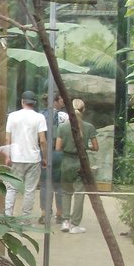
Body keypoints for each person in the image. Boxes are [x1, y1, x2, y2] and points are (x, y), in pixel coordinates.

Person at [55, 98, 98, 234]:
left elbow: (58, 148)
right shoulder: (89, 127)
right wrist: (86, 147)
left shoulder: (63, 127)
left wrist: (68, 146)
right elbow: (96, 147)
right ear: (83, 110)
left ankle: (65, 221)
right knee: (79, 193)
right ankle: (75, 224)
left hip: (67, 162)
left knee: (66, 192)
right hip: (81, 162)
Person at [3, 90, 47, 219]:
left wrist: (7, 156)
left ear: (22, 101)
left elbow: (7, 139)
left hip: (16, 158)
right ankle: (25, 220)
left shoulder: (12, 116)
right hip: (33, 159)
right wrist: (44, 158)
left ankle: (8, 218)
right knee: (29, 190)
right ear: (34, 103)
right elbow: (43, 140)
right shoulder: (39, 117)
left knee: (11, 188)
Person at [38, 92, 67, 224]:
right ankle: (60, 214)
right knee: (58, 185)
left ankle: (45, 213)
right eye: (61, 99)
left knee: (44, 184)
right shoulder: (64, 116)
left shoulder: (40, 115)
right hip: (59, 152)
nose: (63, 102)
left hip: (44, 152)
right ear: (55, 101)